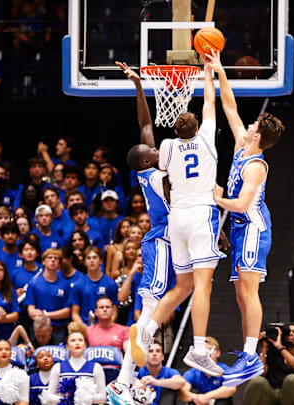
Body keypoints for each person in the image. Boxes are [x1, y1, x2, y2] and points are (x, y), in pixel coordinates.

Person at [136, 48, 224, 378]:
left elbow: (151, 138)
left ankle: (149, 325)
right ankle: (199, 349)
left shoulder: (168, 149)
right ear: (198, 128)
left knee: (184, 285)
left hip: (177, 221)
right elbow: (210, 104)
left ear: (174, 131)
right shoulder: (207, 143)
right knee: (202, 286)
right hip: (201, 215)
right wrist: (208, 72)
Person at [206, 51, 285, 386]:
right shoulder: (242, 144)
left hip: (253, 228)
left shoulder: (256, 165)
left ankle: (252, 356)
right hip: (240, 230)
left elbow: (239, 204)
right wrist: (220, 71)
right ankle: (248, 353)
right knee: (241, 293)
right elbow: (230, 107)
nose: (249, 125)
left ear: (258, 137)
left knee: (249, 292)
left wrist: (217, 196)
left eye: (253, 126)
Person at [110, 61, 178, 404]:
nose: (156, 147)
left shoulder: (152, 166)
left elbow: (146, 122)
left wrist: (140, 86)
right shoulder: (158, 177)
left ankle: (124, 380)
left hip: (167, 239)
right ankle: (127, 373)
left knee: (157, 306)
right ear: (147, 162)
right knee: (152, 302)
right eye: (152, 150)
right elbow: (180, 200)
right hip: (162, 238)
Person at [242, 324, 294, 405]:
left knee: (292, 379)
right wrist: (265, 347)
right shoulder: (272, 354)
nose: (291, 334)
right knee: (257, 381)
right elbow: (259, 373)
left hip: (291, 396)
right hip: (271, 394)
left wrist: (280, 347)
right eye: (288, 332)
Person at [45, 326, 106, 404]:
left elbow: (103, 397)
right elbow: (49, 396)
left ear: (85, 345)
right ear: (67, 347)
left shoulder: (96, 367)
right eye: (73, 340)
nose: (77, 343)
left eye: (80, 340)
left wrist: (84, 398)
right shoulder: (58, 367)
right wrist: (67, 399)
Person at [24, 248, 71, 344]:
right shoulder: (34, 283)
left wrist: (45, 314)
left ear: (59, 264)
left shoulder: (65, 285)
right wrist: (45, 316)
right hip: (39, 330)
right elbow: (31, 311)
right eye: (50, 258)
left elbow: (67, 311)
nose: (53, 260)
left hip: (58, 329)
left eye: (56, 258)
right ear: (44, 262)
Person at [179, 336, 236, 405]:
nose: (207, 353)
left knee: (225, 401)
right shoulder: (192, 372)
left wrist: (207, 397)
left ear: (218, 353)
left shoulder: (225, 369)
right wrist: (199, 398)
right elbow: (183, 393)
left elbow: (231, 389)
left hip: (217, 401)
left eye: (210, 349)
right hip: (199, 402)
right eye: (204, 350)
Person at [71, 247, 118, 325]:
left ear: (101, 260)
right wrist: (85, 330)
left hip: (105, 327)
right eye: (88, 258)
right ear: (84, 262)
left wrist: (107, 327)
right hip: (86, 327)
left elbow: (114, 311)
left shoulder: (110, 283)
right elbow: (75, 313)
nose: (91, 260)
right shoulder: (78, 284)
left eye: (95, 257)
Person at [135, 340, 186, 405]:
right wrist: (137, 383)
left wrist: (156, 382)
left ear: (163, 357)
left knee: (170, 389)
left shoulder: (169, 372)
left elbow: (181, 382)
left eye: (158, 351)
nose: (154, 354)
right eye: (150, 351)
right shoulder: (139, 370)